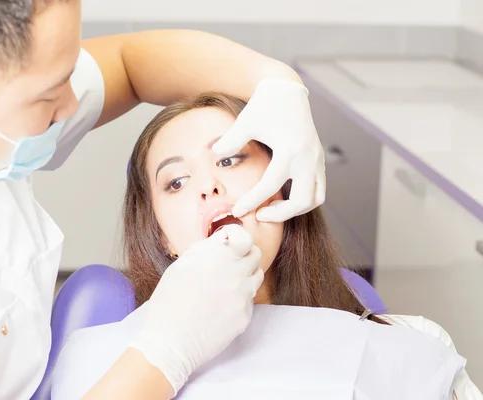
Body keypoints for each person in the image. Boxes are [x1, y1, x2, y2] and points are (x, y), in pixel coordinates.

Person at [0, 1, 327, 399]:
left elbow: (129, 64)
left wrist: (276, 83)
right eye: (175, 181)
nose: (73, 101)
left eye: (229, 159)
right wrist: (167, 352)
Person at [53, 93, 483, 399]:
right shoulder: (101, 364)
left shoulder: (413, 344)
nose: (209, 186)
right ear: (162, 236)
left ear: (282, 186)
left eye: (229, 159)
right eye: (176, 182)